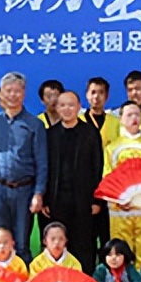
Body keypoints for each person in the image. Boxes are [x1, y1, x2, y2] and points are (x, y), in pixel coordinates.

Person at [0, 72, 47, 263]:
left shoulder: (35, 124)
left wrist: (39, 193)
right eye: (8, 91)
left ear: (24, 93)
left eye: (17, 91)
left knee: (21, 244)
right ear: (1, 94)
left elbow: (42, 161)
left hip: (24, 190)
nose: (12, 95)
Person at [42, 90, 103, 270]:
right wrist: (45, 198)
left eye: (71, 105)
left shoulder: (90, 133)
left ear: (78, 107)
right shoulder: (50, 135)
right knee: (59, 243)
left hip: (84, 201)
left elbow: (98, 167)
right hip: (56, 200)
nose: (67, 109)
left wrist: (96, 199)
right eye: (62, 105)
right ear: (57, 108)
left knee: (84, 244)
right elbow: (44, 168)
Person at [105, 101, 141, 265]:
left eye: (137, 114)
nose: (134, 118)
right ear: (121, 118)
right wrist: (118, 200)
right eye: (129, 115)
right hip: (120, 208)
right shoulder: (113, 147)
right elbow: (108, 178)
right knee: (121, 248)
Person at [84, 77, 117, 257]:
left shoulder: (116, 122)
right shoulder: (79, 121)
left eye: (101, 93)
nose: (96, 97)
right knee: (86, 236)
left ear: (107, 96)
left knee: (108, 234)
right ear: (87, 95)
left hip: (111, 188)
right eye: (93, 92)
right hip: (86, 187)